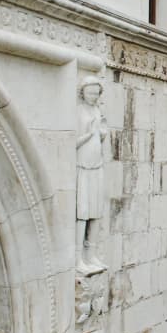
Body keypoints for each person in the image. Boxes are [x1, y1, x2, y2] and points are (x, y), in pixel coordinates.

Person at [76, 76, 109, 276]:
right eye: (90, 92)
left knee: (96, 212)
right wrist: (88, 133)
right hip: (83, 167)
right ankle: (78, 257)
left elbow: (100, 135)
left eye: (96, 93)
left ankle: (92, 253)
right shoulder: (78, 111)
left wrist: (101, 131)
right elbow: (72, 141)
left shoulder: (97, 110)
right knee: (83, 212)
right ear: (83, 93)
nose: (93, 96)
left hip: (97, 166)